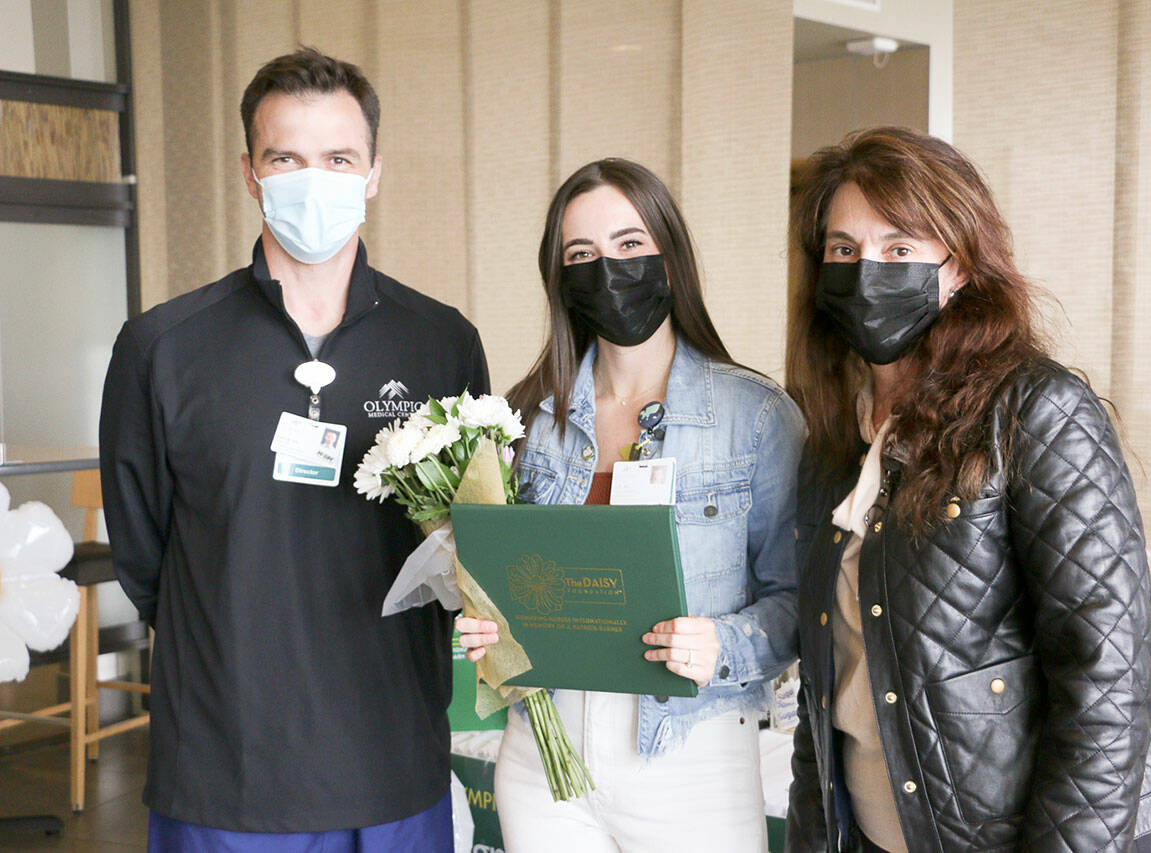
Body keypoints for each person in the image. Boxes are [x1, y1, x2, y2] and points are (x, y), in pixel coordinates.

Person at [100, 48, 488, 850]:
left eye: (338, 158)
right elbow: (146, 561)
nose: (315, 180)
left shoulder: (441, 343)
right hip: (226, 773)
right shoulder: (162, 347)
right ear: (251, 172)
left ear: (374, 172)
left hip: (393, 766)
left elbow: (470, 536)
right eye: (287, 158)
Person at [784, 127, 1151, 853]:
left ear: (960, 263)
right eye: (844, 250)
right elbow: (826, 681)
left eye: (899, 248)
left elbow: (1110, 678)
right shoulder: (834, 440)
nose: (867, 270)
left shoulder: (1035, 410)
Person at [458, 158, 804, 851]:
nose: (606, 269)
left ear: (669, 258)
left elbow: (798, 600)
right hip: (543, 764)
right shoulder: (523, 419)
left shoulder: (757, 417)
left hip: (693, 758)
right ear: (560, 279)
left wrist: (724, 644)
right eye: (581, 254)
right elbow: (509, 585)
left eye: (627, 245)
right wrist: (488, 628)